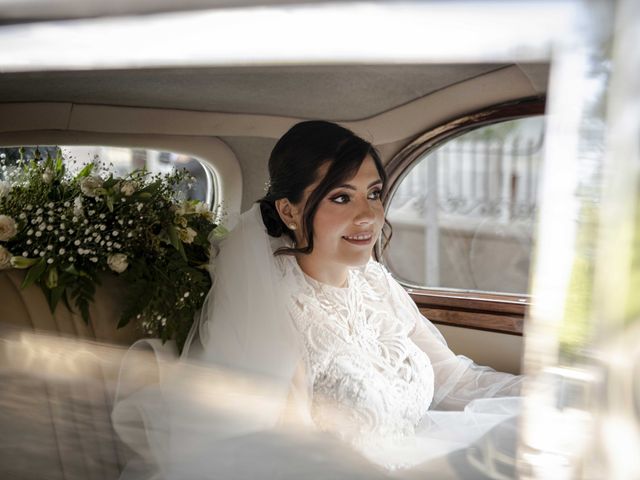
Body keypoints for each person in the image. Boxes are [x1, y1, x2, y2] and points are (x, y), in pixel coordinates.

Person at [113, 121, 522, 479]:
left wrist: (546, 399)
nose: (368, 216)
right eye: (341, 198)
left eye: (374, 193)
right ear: (289, 211)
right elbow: (284, 458)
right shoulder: (272, 316)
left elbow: (456, 380)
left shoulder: (376, 283)